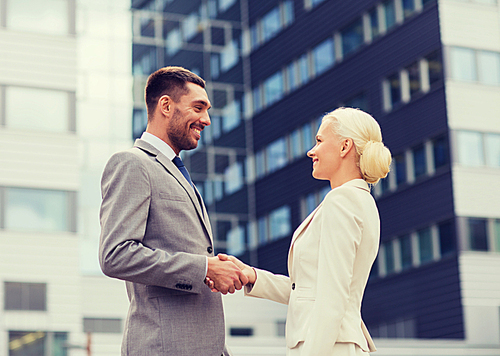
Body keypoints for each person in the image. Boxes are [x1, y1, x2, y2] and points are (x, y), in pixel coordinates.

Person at [210, 107, 392, 355]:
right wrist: (253, 275)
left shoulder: (341, 202)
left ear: (344, 147)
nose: (311, 151)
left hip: (328, 347)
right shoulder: (359, 200)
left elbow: (332, 299)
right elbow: (310, 291)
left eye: (319, 141)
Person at [99, 66, 248, 356]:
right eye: (198, 107)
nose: (206, 119)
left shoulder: (178, 173)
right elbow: (114, 255)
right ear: (166, 105)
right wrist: (204, 268)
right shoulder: (132, 164)